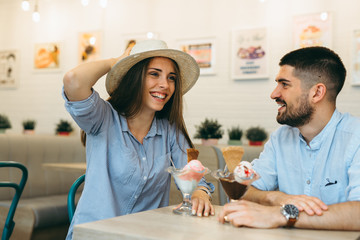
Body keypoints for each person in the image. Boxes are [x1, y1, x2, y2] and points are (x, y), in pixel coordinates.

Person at [62, 39, 215, 240]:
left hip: (144, 235)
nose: (164, 85)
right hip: (95, 234)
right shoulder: (103, 118)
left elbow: (193, 175)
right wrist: (115, 62)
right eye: (154, 74)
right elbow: (73, 79)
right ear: (134, 77)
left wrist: (200, 193)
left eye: (171, 78)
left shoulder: (170, 131)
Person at [218, 46, 360, 230]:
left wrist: (283, 214)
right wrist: (275, 198)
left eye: (284, 84)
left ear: (317, 93)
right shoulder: (280, 138)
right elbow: (242, 190)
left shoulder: (355, 137)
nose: (274, 94)